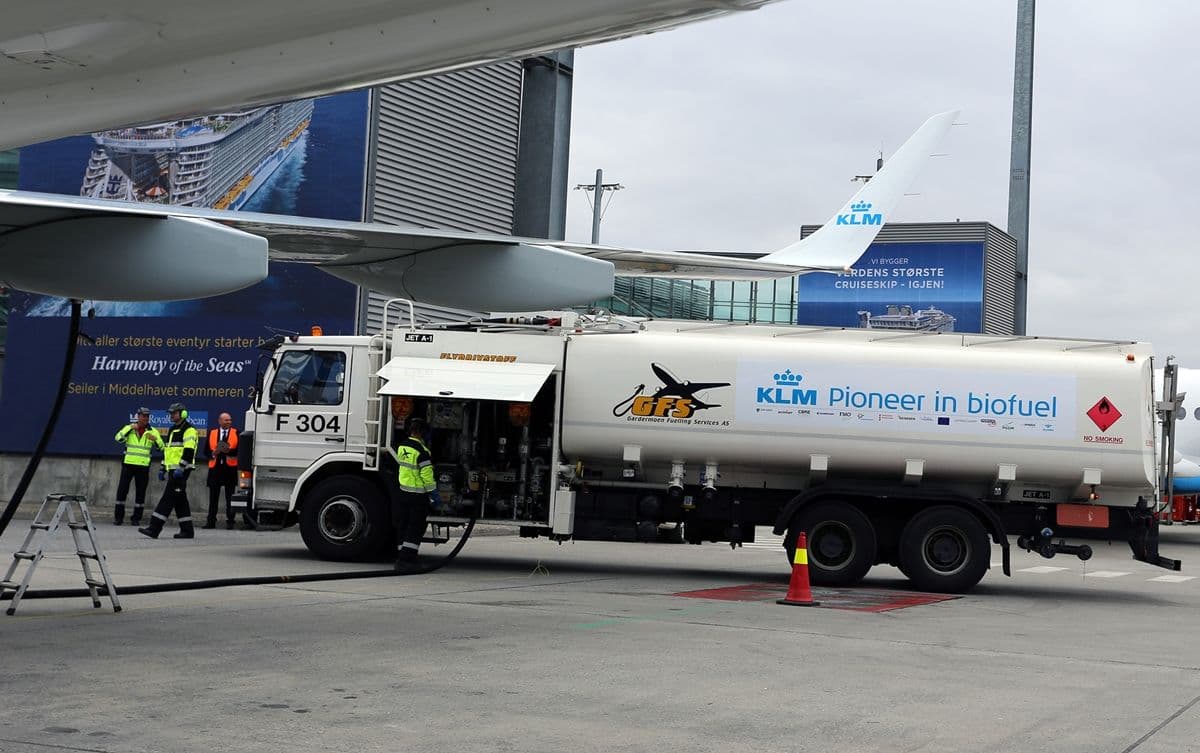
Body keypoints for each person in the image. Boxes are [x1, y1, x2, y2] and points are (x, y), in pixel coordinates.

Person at [138, 402, 200, 540]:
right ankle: (187, 530)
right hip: (173, 470)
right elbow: (168, 452)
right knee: (180, 500)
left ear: (183, 414)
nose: (171, 415)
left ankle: (154, 528)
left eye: (174, 413)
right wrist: (162, 468)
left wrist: (182, 467)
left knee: (167, 498)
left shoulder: (189, 430)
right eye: (170, 413)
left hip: (181, 470)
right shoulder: (172, 430)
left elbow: (189, 451)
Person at [391, 416, 440, 573]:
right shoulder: (422, 451)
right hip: (418, 496)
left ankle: (402, 556)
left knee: (403, 526)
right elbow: (426, 476)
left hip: (403, 492)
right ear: (422, 432)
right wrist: (434, 494)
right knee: (415, 528)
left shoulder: (402, 447)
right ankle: (407, 559)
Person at [112, 407, 165, 525]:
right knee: (122, 491)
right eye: (143, 416)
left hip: (143, 466)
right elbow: (118, 438)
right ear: (138, 416)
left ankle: (136, 518)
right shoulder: (129, 428)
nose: (145, 418)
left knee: (140, 493)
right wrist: (130, 428)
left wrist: (155, 439)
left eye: (147, 416)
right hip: (128, 465)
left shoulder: (153, 431)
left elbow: (161, 447)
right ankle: (118, 518)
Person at [202, 412, 239, 529]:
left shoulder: (236, 433)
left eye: (230, 420)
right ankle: (211, 521)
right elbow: (205, 451)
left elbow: (239, 451)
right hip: (215, 469)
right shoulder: (212, 433)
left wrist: (228, 451)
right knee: (213, 498)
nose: (229, 422)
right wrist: (213, 454)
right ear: (220, 421)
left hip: (230, 470)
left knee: (230, 498)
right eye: (226, 420)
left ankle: (230, 522)